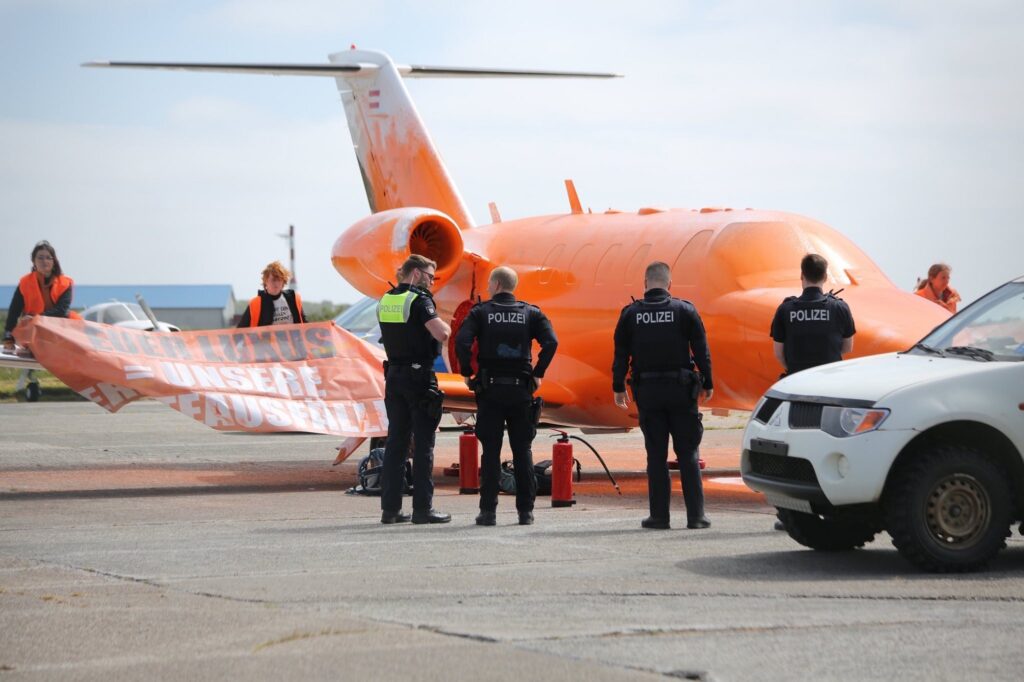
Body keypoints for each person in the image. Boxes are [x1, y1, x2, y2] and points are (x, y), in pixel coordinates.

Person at [613, 261, 713, 530]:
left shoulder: (631, 314)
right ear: (669, 284)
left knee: (655, 456)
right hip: (682, 391)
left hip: (649, 393)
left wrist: (618, 387)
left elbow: (621, 353)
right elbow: (701, 350)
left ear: (645, 283)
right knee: (688, 454)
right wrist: (708, 382)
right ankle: (696, 517)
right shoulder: (684, 310)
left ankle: (659, 517)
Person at [455, 266, 558, 526]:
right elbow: (551, 342)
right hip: (521, 391)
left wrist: (468, 372)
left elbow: (462, 342)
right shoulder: (531, 313)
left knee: (490, 452)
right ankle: (526, 512)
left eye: (490, 284)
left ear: (497, 284)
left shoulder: (481, 312)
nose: (488, 288)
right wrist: (538, 372)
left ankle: (488, 512)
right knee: (523, 451)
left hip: (490, 391)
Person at [769, 253, 856, 530]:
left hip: (797, 389)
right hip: (831, 391)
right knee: (831, 449)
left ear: (802, 276)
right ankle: (835, 510)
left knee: (790, 452)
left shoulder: (786, 310)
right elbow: (847, 348)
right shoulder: (839, 308)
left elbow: (779, 354)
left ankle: (791, 514)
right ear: (825, 276)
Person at [376, 254, 451, 525]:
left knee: (396, 444)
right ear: (416, 273)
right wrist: (448, 328)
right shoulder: (420, 300)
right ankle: (422, 508)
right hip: (419, 379)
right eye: (430, 276)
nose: (432, 282)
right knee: (423, 445)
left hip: (394, 377)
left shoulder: (385, 300)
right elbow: (440, 333)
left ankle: (391, 509)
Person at [4, 240, 78, 348]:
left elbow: (62, 311)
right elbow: (13, 312)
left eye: (49, 257)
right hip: (33, 332)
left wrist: (35, 317)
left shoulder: (65, 283)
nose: (45, 261)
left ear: (54, 262)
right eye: (40, 257)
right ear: (33, 261)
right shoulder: (25, 283)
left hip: (62, 331)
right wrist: (8, 337)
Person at [236, 261, 307, 327]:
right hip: (265, 340)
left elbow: (305, 325)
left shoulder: (294, 299)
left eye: (279, 280)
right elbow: (240, 331)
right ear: (265, 281)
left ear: (283, 282)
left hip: (292, 340)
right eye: (273, 280)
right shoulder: (255, 304)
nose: (276, 283)